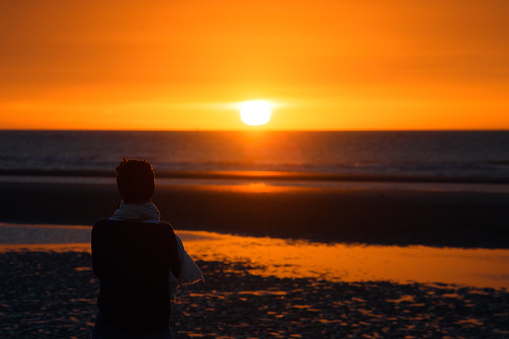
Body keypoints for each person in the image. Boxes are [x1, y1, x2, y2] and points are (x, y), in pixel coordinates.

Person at [92, 158, 203, 338]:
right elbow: (175, 271)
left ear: (120, 188)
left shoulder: (102, 229)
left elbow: (99, 270)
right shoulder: (164, 232)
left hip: (112, 321)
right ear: (152, 187)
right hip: (153, 325)